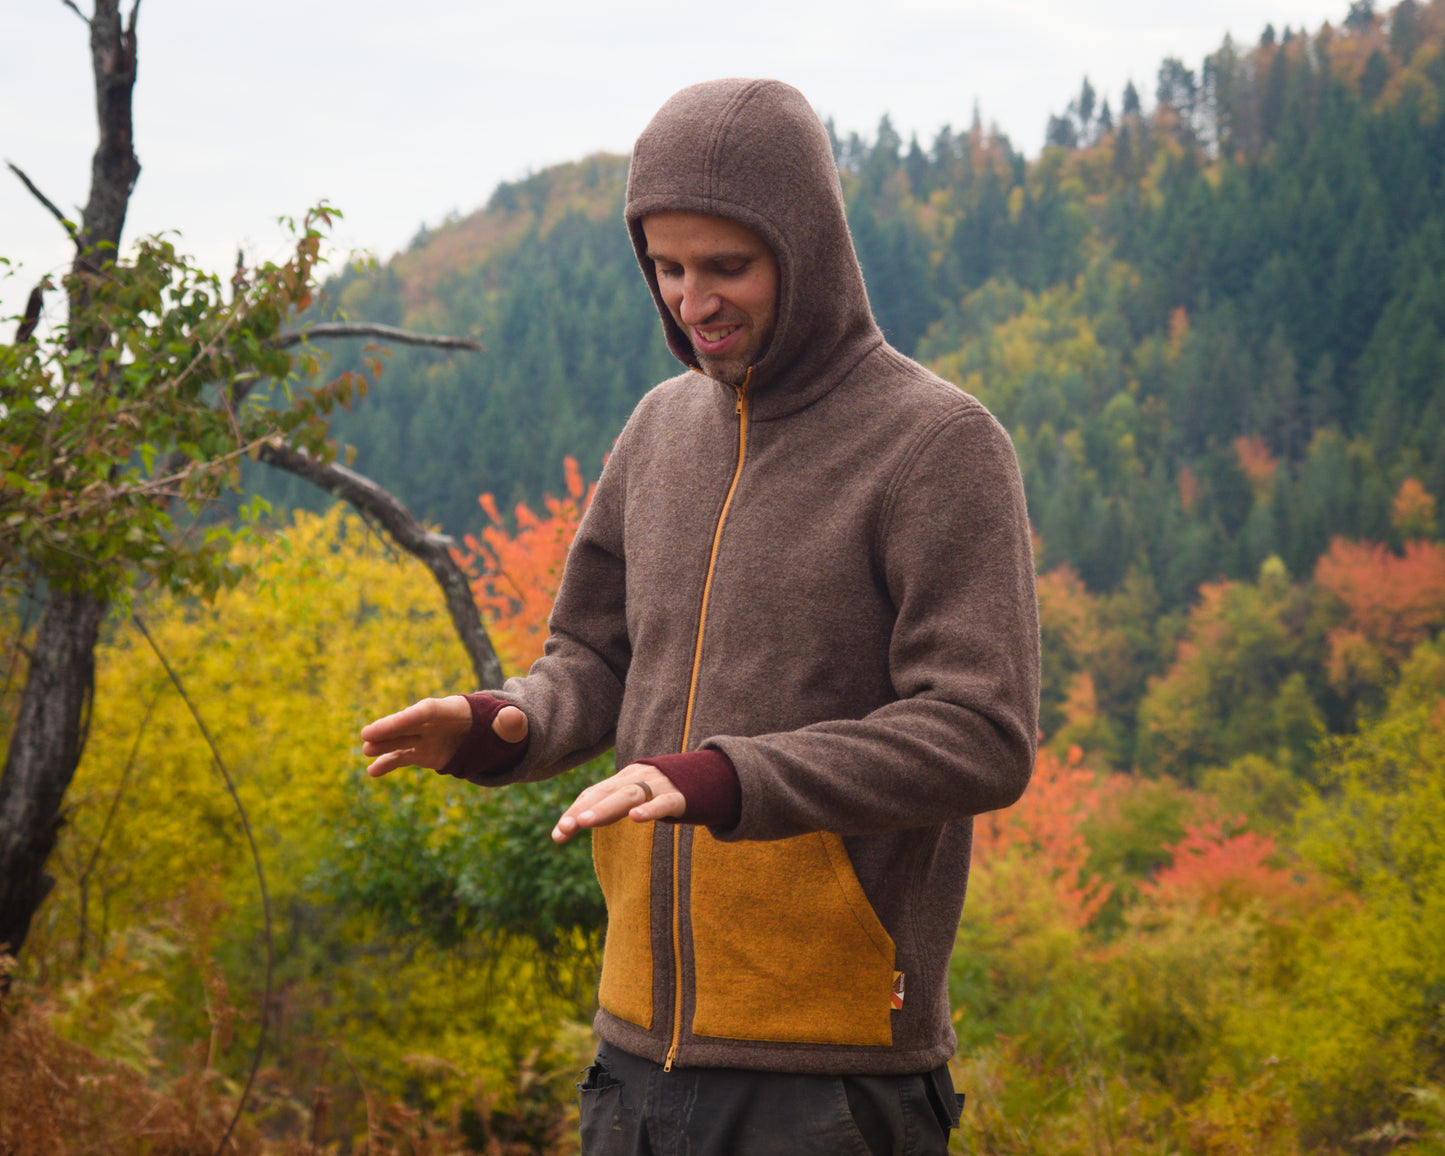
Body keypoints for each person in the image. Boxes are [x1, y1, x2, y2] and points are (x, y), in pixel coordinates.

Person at [361, 77, 1039, 1156]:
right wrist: (501, 725)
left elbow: (979, 734)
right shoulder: (658, 429)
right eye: (667, 268)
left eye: (727, 266)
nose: (691, 300)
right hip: (633, 1056)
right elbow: (593, 658)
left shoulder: (936, 445)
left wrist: (723, 778)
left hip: (827, 1075)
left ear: (807, 250)